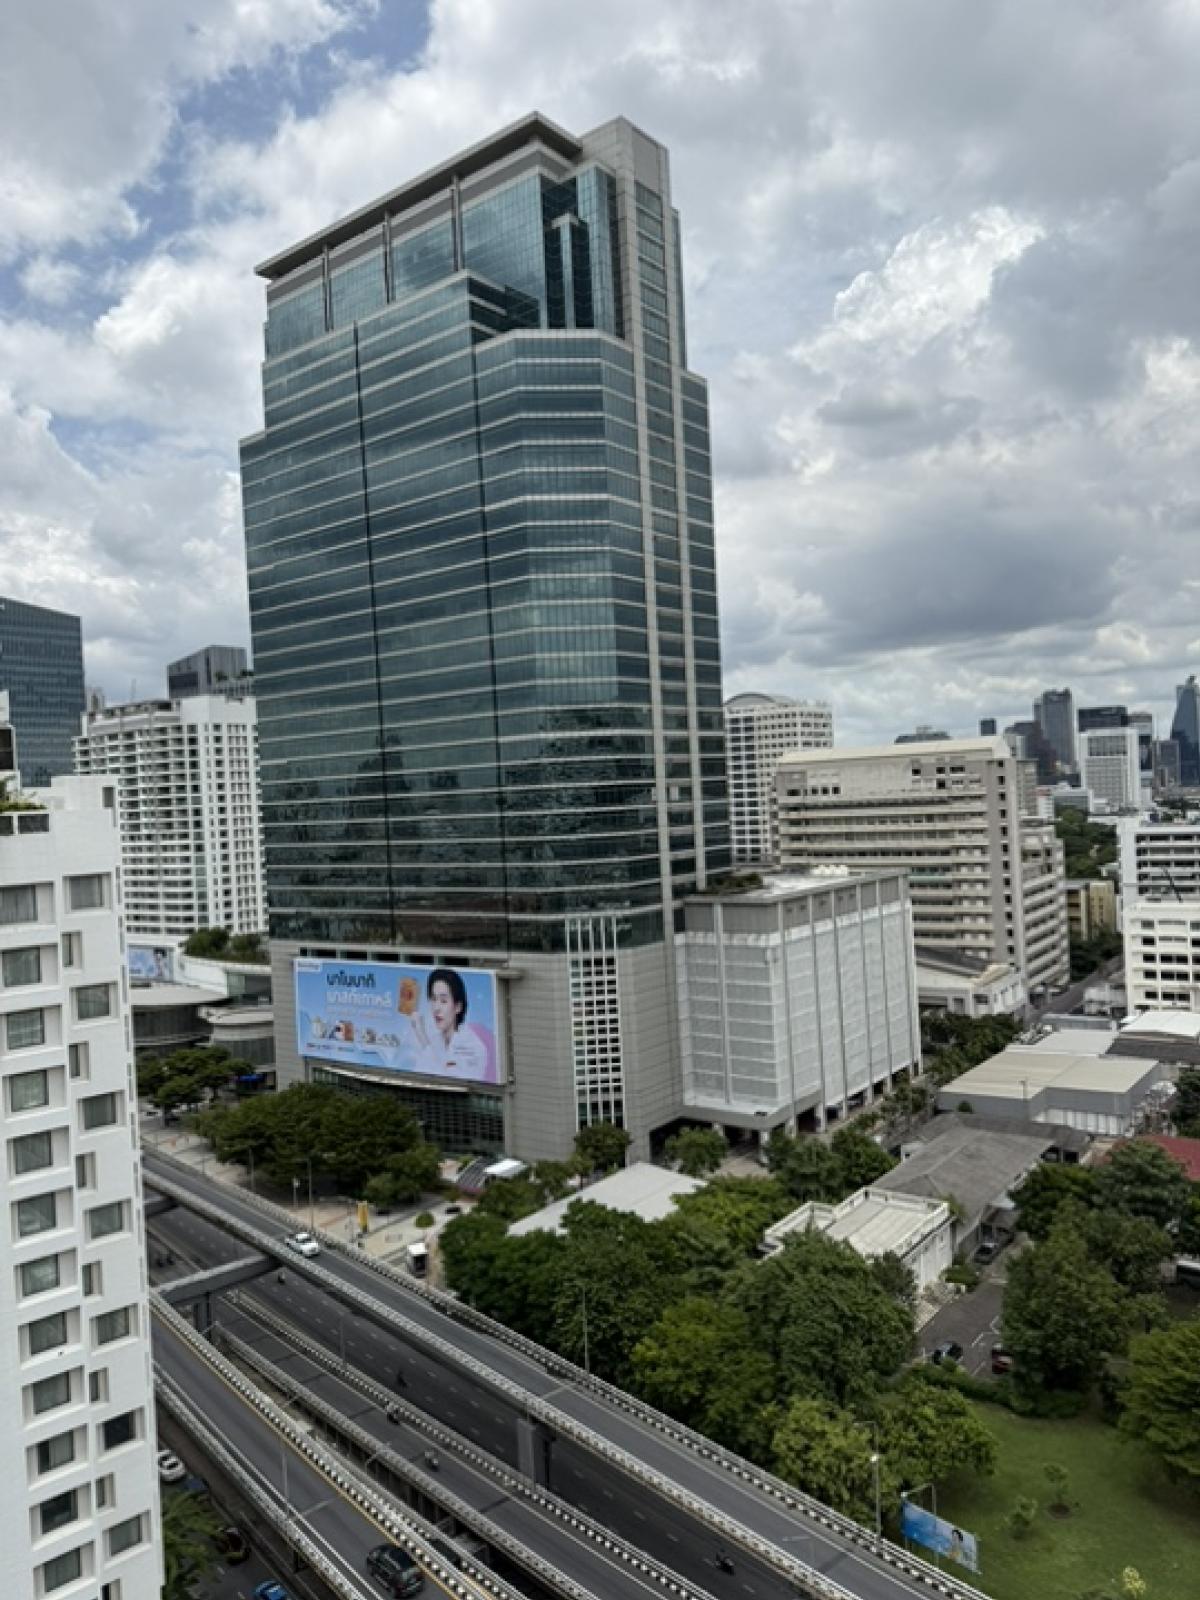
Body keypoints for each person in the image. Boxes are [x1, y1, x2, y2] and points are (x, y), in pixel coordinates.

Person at [406, 968, 489, 1078]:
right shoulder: (435, 1040)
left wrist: (423, 1038)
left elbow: (449, 1079)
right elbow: (419, 1075)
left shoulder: (474, 1047)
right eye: (433, 999)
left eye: (443, 1001)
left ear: (458, 1006)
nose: (436, 1008)